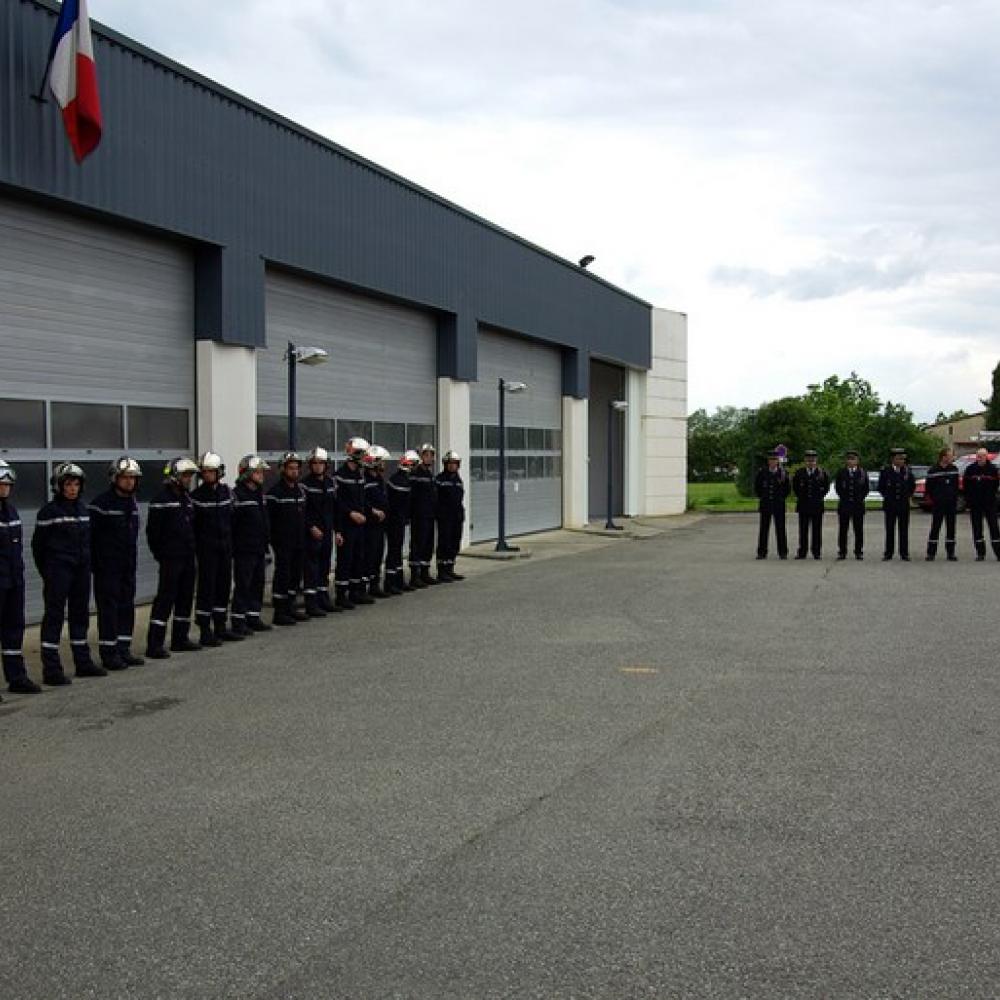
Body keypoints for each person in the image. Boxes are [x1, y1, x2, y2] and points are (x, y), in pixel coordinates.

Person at [32, 463, 104, 684]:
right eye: (68, 484)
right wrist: (50, 572)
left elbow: (90, 542)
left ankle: (82, 663)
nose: (72, 489)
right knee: (54, 617)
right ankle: (51, 669)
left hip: (81, 571)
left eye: (76, 484)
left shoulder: (84, 510)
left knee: (80, 615)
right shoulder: (48, 513)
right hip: (58, 571)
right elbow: (38, 547)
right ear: (58, 486)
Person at [89, 456, 143, 670]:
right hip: (107, 567)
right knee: (108, 610)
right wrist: (98, 564)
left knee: (126, 606)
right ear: (115, 478)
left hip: (127, 565)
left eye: (133, 478)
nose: (130, 482)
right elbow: (91, 538)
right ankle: (109, 653)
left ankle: (123, 649)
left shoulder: (132, 503)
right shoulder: (100, 505)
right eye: (125, 478)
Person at [145, 457, 201, 657]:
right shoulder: (161, 501)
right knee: (165, 599)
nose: (188, 479)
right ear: (175, 476)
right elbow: (153, 534)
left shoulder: (187, 499)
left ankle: (180, 638)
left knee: (185, 598)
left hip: (187, 556)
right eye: (185, 475)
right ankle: (154, 644)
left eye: (190, 476)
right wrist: (163, 555)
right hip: (171, 558)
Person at [191, 452, 242, 645]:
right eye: (204, 472)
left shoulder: (228, 493)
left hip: (225, 549)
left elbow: (234, 520)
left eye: (211, 471)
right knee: (206, 589)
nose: (208, 475)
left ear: (219, 472)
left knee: (223, 587)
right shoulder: (196, 497)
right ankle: (205, 630)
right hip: (207, 551)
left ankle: (220, 626)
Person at [0, 461, 40, 696]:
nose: (5, 489)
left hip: (14, 581)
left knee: (14, 630)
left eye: (7, 485)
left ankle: (17, 677)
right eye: (1, 484)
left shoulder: (11, 511)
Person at [266, 451, 308, 626]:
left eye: (296, 468)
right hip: (282, 541)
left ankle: (290, 607)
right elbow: (270, 519)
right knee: (283, 575)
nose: (294, 472)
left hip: (298, 540)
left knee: (295, 575)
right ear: (282, 469)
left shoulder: (300, 491)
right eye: (291, 468)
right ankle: (280, 611)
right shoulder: (275, 493)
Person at [231, 454, 271, 635]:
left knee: (257, 583)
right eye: (257, 472)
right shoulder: (237, 495)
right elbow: (233, 524)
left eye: (262, 472)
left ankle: (253, 617)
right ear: (246, 474)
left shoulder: (259, 495)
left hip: (259, 547)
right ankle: (238, 621)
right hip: (244, 548)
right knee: (243, 585)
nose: (261, 475)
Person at [333, 437, 371, 609]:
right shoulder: (339, 476)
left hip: (360, 525)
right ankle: (341, 595)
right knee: (345, 560)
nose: (364, 458)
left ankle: (357, 592)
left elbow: (362, 499)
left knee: (359, 558)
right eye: (362, 454)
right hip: (346, 524)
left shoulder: (360, 475)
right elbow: (337, 502)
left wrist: (364, 513)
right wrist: (350, 514)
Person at [301, 446, 337, 616]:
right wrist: (310, 527)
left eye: (321, 463)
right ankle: (311, 602)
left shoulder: (331, 483)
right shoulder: (305, 485)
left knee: (324, 566)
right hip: (312, 534)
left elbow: (334, 508)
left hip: (327, 531)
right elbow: (302, 511)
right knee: (311, 569)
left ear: (326, 465)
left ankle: (323, 598)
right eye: (314, 463)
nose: (317, 466)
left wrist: (338, 531)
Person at [384, 449, 419, 595]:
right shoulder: (398, 481)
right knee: (394, 551)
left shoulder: (403, 480)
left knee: (397, 551)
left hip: (400, 521)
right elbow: (397, 504)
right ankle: (390, 582)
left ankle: (398, 580)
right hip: (394, 521)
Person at [877, 448, 917, 561]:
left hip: (903, 505)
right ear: (893, 459)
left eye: (903, 459)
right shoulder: (886, 472)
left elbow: (912, 486)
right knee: (890, 529)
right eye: (899, 458)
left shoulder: (907, 472)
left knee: (904, 530)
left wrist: (906, 496)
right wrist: (888, 497)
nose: (901, 461)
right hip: (890, 505)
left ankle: (904, 553)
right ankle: (888, 553)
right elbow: (881, 487)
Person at [362, 445, 391, 598]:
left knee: (378, 554)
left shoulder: (379, 480)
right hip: (369, 525)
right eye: (382, 462)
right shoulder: (365, 480)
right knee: (369, 555)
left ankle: (374, 584)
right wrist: (372, 511)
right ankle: (365, 586)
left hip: (380, 525)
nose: (384, 465)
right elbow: (361, 501)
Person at [791, 449, 830, 560]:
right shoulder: (799, 473)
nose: (810, 463)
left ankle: (816, 552)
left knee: (817, 530)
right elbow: (796, 487)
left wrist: (817, 497)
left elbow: (825, 488)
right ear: (805, 461)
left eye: (812, 461)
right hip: (803, 505)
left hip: (817, 505)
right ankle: (802, 552)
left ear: (816, 461)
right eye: (808, 460)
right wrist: (802, 497)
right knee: (803, 530)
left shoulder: (822, 473)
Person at [409, 443, 438, 586]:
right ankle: (415, 575)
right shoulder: (415, 474)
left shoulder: (430, 475)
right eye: (426, 455)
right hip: (418, 515)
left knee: (428, 544)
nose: (430, 458)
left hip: (429, 515)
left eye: (431, 455)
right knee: (417, 544)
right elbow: (412, 496)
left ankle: (425, 572)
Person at [963, 447, 1000, 561]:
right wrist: (969, 501)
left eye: (982, 456)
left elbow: (996, 486)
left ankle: (998, 553)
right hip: (975, 504)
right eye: (978, 456)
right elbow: (966, 486)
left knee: (994, 528)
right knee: (977, 529)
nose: (980, 458)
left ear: (986, 456)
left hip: (990, 503)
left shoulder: (993, 469)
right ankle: (980, 553)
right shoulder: (970, 469)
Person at [435, 450, 466, 581]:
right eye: (450, 463)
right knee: (444, 543)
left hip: (456, 517)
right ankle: (442, 571)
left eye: (455, 463)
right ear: (445, 464)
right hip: (445, 517)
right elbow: (436, 499)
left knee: (455, 543)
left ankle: (450, 568)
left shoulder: (458, 480)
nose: (453, 466)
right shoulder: (440, 479)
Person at [924, 447, 960, 561]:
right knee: (935, 527)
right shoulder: (933, 470)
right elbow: (929, 488)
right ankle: (931, 553)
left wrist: (954, 497)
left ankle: (951, 553)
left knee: (951, 528)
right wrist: (934, 499)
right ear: (943, 457)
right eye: (950, 456)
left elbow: (956, 486)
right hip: (938, 504)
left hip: (951, 503)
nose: (952, 458)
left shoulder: (954, 469)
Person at [754, 450, 790, 559]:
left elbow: (787, 489)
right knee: (764, 529)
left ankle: (783, 552)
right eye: (771, 459)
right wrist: (763, 497)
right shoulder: (762, 472)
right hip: (766, 504)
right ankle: (762, 552)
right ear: (768, 461)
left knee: (780, 529)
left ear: (778, 461)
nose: (773, 461)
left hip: (778, 504)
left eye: (775, 459)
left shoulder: (783, 473)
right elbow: (758, 488)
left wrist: (780, 498)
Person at [833, 450, 869, 560]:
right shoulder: (841, 472)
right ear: (846, 460)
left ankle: (858, 551)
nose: (851, 461)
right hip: (845, 505)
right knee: (843, 530)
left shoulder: (862, 473)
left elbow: (866, 489)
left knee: (858, 530)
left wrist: (859, 499)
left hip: (858, 505)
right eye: (849, 459)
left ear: (857, 461)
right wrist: (844, 498)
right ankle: (842, 551)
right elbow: (838, 487)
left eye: (853, 459)